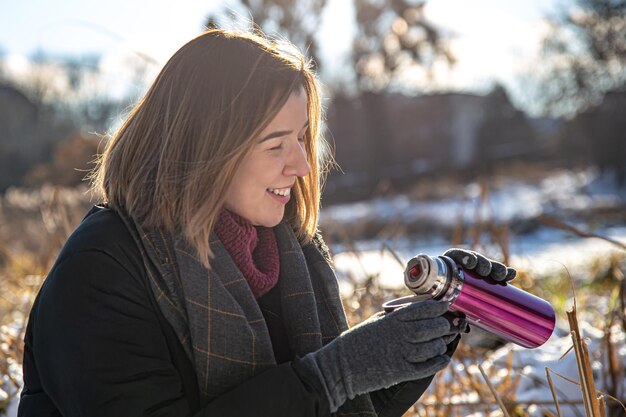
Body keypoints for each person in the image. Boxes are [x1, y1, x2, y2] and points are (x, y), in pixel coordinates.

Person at [18, 29, 516, 417]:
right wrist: (335, 373)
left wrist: (422, 331)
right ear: (204, 151)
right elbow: (322, 388)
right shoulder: (101, 271)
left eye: (302, 138)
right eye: (276, 144)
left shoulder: (284, 249)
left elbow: (339, 406)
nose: (301, 165)